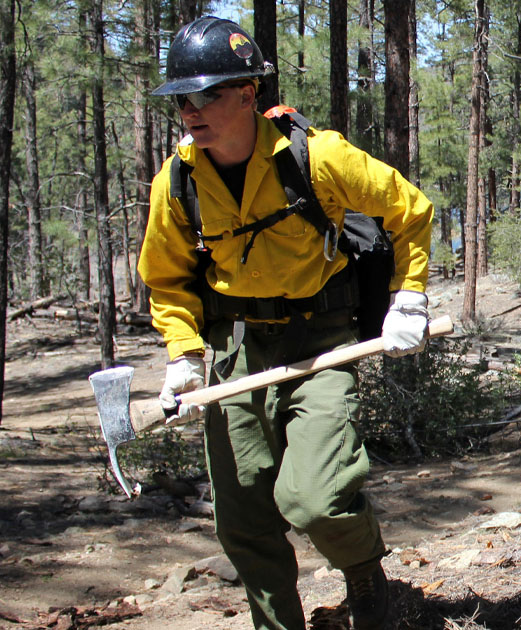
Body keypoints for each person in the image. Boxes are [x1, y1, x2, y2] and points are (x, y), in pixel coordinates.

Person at [137, 17, 434, 630]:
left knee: (314, 500)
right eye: (181, 99)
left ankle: (362, 568)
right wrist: (184, 356)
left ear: (248, 94)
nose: (190, 111)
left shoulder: (316, 156)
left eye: (206, 95)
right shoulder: (177, 182)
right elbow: (166, 279)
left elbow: (410, 209)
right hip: (235, 350)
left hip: (319, 339)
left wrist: (408, 299)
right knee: (243, 518)